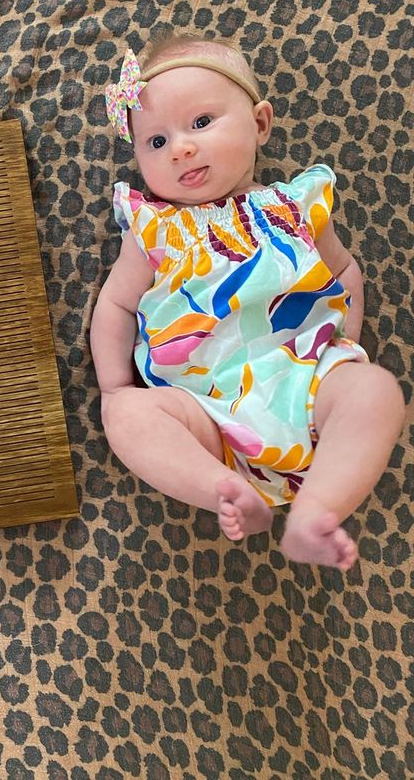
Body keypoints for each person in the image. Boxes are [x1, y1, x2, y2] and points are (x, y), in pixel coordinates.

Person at [89, 29, 406, 571]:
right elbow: (116, 306)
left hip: (305, 384)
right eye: (156, 142)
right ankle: (226, 490)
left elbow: (346, 271)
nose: (181, 147)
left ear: (260, 123)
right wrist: (116, 388)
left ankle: (317, 510)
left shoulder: (296, 205)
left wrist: (344, 351)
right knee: (126, 420)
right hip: (205, 415)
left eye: (201, 123)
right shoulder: (152, 230)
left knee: (375, 390)